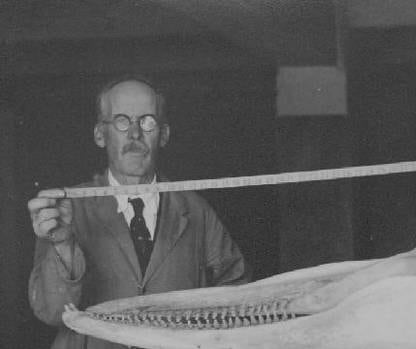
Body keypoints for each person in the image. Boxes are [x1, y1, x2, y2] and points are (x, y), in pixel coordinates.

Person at [27, 76, 250, 349]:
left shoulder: (195, 211)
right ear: (100, 134)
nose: (135, 134)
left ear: (164, 134)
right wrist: (62, 245)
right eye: (122, 121)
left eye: (147, 122)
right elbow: (51, 312)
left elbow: (240, 298)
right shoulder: (67, 210)